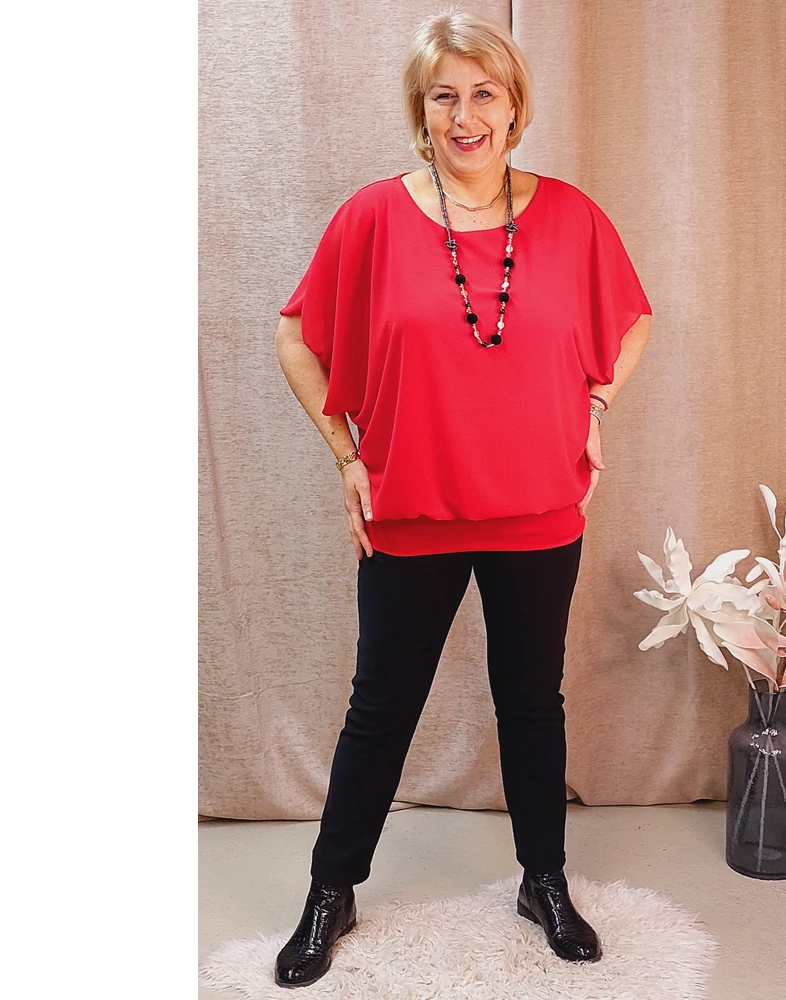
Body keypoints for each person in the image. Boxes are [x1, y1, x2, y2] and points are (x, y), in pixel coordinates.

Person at [271, 9, 652, 988]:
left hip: (539, 510)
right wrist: (346, 456)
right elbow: (296, 336)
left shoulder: (570, 217)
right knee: (380, 708)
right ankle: (330, 890)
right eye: (444, 95)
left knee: (532, 703)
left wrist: (594, 405)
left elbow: (630, 320)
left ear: (514, 106)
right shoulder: (370, 217)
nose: (465, 114)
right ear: (421, 110)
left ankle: (544, 881)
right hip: (411, 508)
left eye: (484, 93)